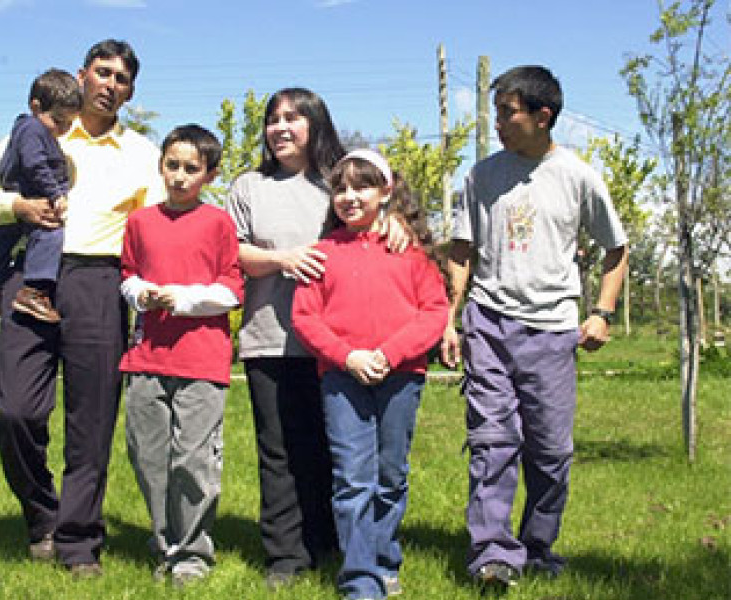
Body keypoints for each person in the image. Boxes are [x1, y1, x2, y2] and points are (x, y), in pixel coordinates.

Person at [0, 39, 164, 576]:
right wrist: (17, 205)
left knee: (91, 422)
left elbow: (158, 226)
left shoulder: (142, 154)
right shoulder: (38, 129)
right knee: (17, 411)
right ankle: (42, 513)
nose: (110, 85)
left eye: (122, 79)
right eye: (102, 72)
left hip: (100, 281)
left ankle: (78, 542)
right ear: (82, 75)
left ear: (130, 92)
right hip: (30, 276)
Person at [440, 65, 629, 589]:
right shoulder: (481, 176)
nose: (498, 123)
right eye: (497, 112)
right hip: (489, 322)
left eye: (508, 113)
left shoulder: (578, 177)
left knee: (550, 450)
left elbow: (616, 249)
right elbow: (462, 250)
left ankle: (538, 547)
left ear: (543, 116)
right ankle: (492, 555)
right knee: (492, 441)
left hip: (551, 329)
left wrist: (602, 312)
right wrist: (450, 318)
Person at [226, 88, 412, 589]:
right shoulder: (249, 186)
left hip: (342, 346)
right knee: (280, 450)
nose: (281, 127)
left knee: (338, 449)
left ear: (316, 124)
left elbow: (377, 209)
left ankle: (333, 542)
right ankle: (286, 555)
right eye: (273, 119)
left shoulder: (338, 180)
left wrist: (396, 220)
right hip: (271, 336)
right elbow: (232, 252)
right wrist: (281, 259)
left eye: (293, 117)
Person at [292, 150, 449, 600]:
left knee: (391, 473)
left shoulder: (410, 251)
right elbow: (305, 317)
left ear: (385, 192)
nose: (350, 197)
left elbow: (434, 311)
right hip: (342, 380)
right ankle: (360, 578)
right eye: (340, 189)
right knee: (352, 478)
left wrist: (388, 354)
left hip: (401, 377)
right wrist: (348, 358)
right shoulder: (323, 253)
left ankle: (384, 558)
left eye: (362, 186)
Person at [119, 124, 243, 587]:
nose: (180, 176)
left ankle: (192, 553)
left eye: (192, 168)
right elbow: (128, 274)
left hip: (201, 359)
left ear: (209, 175)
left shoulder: (218, 223)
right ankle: (165, 543)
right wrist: (141, 294)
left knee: (192, 458)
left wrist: (185, 299)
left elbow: (231, 288)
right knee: (148, 455)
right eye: (173, 165)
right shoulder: (140, 222)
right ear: (161, 166)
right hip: (146, 356)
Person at [0, 68, 82, 323]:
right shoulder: (33, 131)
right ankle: (34, 291)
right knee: (50, 232)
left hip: (17, 195)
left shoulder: (29, 129)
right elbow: (35, 165)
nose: (64, 129)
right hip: (30, 193)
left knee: (2, 239)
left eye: (69, 124)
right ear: (36, 106)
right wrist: (55, 194)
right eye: (59, 121)